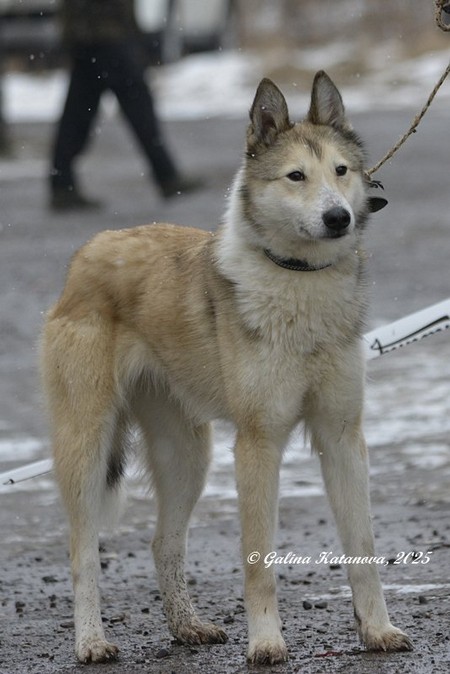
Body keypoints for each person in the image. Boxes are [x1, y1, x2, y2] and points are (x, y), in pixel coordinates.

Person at [49, 0, 201, 210]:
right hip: (105, 35)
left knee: (80, 111)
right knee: (136, 105)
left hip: (94, 34)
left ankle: (61, 183)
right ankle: (166, 176)